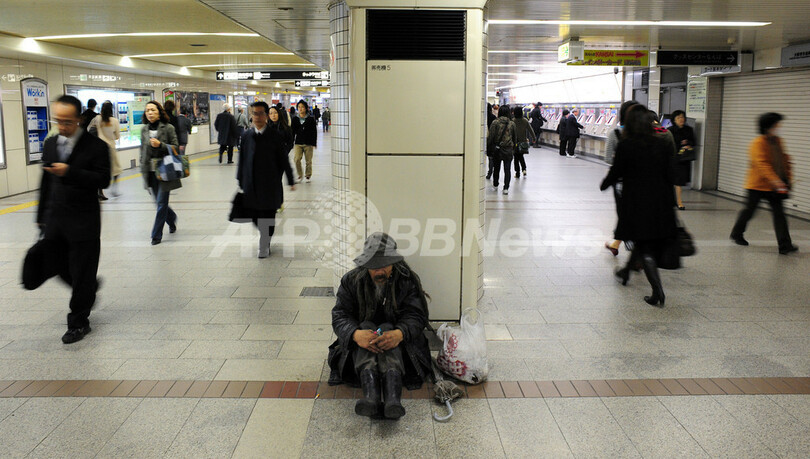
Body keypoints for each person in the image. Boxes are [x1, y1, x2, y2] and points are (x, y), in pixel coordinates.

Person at [328, 233, 432, 420]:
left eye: (385, 264)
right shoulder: (351, 280)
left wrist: (400, 333)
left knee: (385, 327)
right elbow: (340, 315)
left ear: (394, 263)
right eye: (374, 266)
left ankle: (393, 399)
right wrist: (355, 334)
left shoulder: (407, 280)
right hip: (361, 344)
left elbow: (417, 315)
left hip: (401, 346)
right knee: (368, 326)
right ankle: (371, 397)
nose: (379, 271)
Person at [35, 95, 110, 343]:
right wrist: (41, 216)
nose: (62, 126)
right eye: (58, 121)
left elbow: (103, 179)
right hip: (56, 220)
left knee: (82, 273)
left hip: (83, 221)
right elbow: (46, 181)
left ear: (78, 119)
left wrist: (70, 172)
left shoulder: (96, 147)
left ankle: (78, 323)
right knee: (55, 265)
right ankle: (88, 289)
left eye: (67, 121)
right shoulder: (51, 143)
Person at [600, 105, 678, 307]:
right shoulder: (660, 143)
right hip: (660, 201)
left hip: (636, 202)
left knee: (645, 245)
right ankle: (626, 271)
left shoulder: (628, 144)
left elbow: (616, 171)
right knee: (644, 240)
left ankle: (657, 291)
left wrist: (604, 184)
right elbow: (673, 174)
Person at [730, 112, 797, 255]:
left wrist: (788, 179)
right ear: (768, 126)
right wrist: (776, 181)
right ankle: (737, 233)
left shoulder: (778, 141)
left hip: (774, 187)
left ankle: (785, 245)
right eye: (777, 124)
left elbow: (785, 161)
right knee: (749, 211)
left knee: (780, 215)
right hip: (756, 186)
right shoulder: (757, 143)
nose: (779, 127)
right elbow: (762, 164)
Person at [238, 101, 296, 258]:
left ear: (266, 116)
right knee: (256, 215)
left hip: (270, 183)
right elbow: (242, 159)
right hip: (252, 184)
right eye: (254, 114)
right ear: (251, 115)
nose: (257, 117)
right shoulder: (246, 136)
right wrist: (240, 179)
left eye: (260, 113)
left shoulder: (275, 136)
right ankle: (265, 236)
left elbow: (284, 159)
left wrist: (290, 179)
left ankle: (264, 243)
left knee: (268, 215)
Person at [139, 100, 180, 246]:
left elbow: (176, 147)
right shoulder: (144, 130)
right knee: (159, 203)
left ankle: (156, 235)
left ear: (159, 112)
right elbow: (142, 149)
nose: (150, 113)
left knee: (162, 203)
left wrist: (161, 145)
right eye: (147, 110)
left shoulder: (168, 128)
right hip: (149, 172)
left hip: (165, 170)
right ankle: (172, 218)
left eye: (153, 110)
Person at [603, 100, 639, 256]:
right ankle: (621, 244)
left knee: (625, 213)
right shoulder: (645, 134)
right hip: (642, 181)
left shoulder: (615, 133)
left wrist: (621, 164)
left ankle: (625, 245)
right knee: (633, 213)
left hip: (621, 182)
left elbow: (608, 158)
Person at [88, 101, 122, 198]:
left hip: (99, 148)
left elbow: (89, 129)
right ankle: (114, 189)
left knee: (100, 170)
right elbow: (117, 136)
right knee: (116, 169)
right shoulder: (115, 121)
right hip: (110, 147)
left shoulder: (98, 118)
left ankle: (100, 191)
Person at [668, 110, 696, 210]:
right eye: (679, 117)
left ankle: (678, 201)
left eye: (682, 117)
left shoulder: (689, 130)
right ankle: (676, 201)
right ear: (674, 120)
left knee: (679, 181)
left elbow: (694, 142)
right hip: (672, 159)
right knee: (673, 181)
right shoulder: (669, 130)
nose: (681, 119)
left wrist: (688, 144)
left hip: (684, 159)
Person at [487, 105, 517, 195]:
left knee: (497, 167)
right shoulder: (512, 124)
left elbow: (491, 136)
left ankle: (496, 184)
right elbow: (515, 137)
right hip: (508, 149)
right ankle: (506, 188)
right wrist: (513, 148)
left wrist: (488, 146)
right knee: (507, 169)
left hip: (497, 148)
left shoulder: (495, 122)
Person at [291, 99, 317, 183]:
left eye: (302, 107)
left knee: (308, 161)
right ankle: (300, 174)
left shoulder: (310, 119)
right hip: (298, 142)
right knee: (297, 159)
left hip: (308, 143)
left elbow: (314, 131)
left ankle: (308, 174)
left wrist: (314, 143)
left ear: (306, 108)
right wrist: (290, 142)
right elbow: (292, 131)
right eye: (299, 107)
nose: (300, 109)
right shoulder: (295, 119)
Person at [512, 106, 536, 178]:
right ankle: (524, 169)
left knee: (516, 158)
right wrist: (534, 138)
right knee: (521, 156)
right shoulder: (525, 120)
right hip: (523, 142)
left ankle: (517, 173)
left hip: (515, 142)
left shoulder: (513, 121)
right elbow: (530, 130)